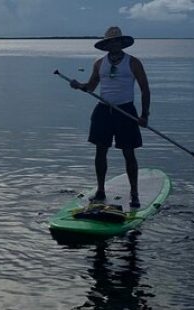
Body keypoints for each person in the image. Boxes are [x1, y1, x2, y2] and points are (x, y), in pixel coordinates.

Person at [69, 26, 150, 208]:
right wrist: (78, 85)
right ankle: (100, 190)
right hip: (103, 111)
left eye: (117, 40)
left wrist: (144, 115)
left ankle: (134, 193)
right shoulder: (99, 63)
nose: (114, 43)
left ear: (121, 43)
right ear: (106, 45)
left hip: (126, 111)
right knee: (100, 151)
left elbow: (145, 89)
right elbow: (90, 87)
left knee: (129, 153)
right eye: (110, 41)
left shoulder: (133, 62)